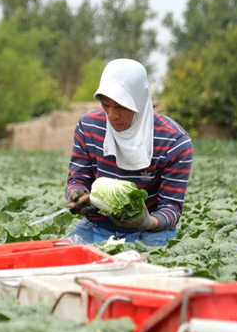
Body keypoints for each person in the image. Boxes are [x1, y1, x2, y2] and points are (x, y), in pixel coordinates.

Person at [63, 58, 193, 246]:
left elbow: (171, 208)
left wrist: (148, 222)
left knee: (137, 265)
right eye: (105, 105)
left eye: (121, 107)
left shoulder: (174, 142)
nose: (112, 115)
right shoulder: (88, 127)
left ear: (140, 101)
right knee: (59, 257)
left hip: (149, 235)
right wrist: (76, 192)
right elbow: (78, 178)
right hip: (96, 228)